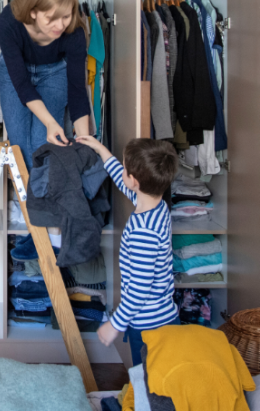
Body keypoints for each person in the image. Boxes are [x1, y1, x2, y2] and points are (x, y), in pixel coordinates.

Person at [76, 134, 180, 367]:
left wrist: (115, 324)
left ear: (135, 180)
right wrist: (100, 148)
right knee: (159, 379)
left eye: (125, 167)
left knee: (149, 381)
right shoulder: (156, 205)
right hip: (162, 315)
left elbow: (139, 289)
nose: (121, 170)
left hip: (148, 326)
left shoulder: (145, 232)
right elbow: (121, 179)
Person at [0, 0, 90, 170]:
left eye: (66, 16)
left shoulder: (75, 32)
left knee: (44, 144)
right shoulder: (8, 22)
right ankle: (32, 199)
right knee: (19, 147)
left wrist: (85, 141)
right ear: (33, 12)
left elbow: (77, 90)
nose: (60, 26)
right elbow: (21, 83)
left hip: (54, 71)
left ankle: (41, 199)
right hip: (16, 72)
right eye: (51, 19)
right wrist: (49, 121)